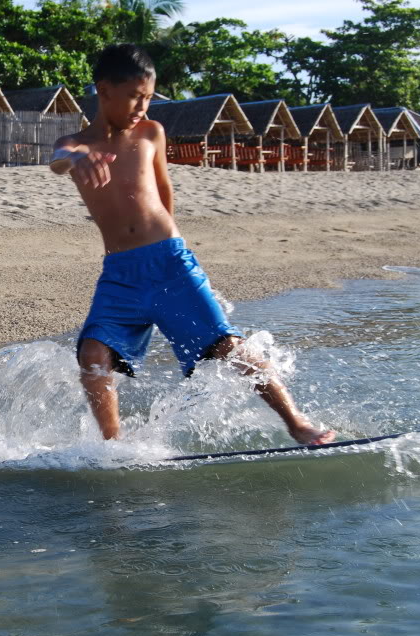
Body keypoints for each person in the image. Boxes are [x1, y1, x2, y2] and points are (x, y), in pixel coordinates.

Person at [50, 43, 335, 445]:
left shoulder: (151, 132)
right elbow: (59, 158)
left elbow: (164, 194)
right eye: (135, 96)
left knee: (227, 346)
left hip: (169, 260)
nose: (142, 107)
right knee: (93, 355)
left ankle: (297, 423)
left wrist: (170, 246)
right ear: (104, 90)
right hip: (120, 273)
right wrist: (75, 161)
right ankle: (113, 446)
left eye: (148, 98)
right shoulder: (78, 145)